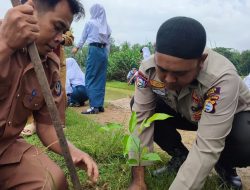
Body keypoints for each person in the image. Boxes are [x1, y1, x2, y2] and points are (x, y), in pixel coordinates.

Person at [129, 16, 250, 190]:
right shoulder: (147, 69)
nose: (169, 80)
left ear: (201, 61)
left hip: (231, 120)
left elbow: (208, 145)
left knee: (245, 137)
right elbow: (141, 120)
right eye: (162, 70)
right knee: (140, 106)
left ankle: (224, 163)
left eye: (180, 73)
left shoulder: (222, 77)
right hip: (188, 112)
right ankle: (180, 156)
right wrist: (138, 181)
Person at [0, 0, 99, 189]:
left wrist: (73, 152)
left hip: (6, 148)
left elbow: (46, 125)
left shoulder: (49, 67)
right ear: (32, 11)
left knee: (53, 181)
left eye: (64, 31)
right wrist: (5, 45)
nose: (61, 38)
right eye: (57, 27)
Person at [21, 30, 74, 136]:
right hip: (39, 57)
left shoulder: (64, 22)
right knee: (34, 89)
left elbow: (70, 39)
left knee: (59, 90)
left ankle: (59, 123)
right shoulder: (38, 18)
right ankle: (32, 122)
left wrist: (62, 38)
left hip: (58, 61)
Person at [72, 3, 111, 114]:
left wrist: (77, 47)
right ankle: (99, 105)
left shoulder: (90, 23)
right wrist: (106, 54)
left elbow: (84, 36)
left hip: (94, 50)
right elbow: (108, 42)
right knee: (101, 78)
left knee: (90, 77)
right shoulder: (106, 26)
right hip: (103, 52)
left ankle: (94, 107)